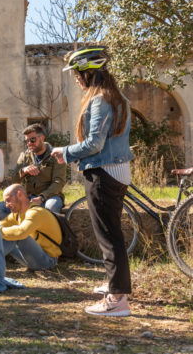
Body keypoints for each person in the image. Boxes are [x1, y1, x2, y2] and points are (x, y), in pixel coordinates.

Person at [51, 46, 133, 317]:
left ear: (88, 72)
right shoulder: (117, 97)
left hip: (103, 173)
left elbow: (95, 144)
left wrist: (65, 152)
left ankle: (117, 300)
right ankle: (114, 285)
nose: (75, 78)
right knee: (113, 235)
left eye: (77, 73)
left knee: (108, 237)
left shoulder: (99, 100)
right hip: (117, 171)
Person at [0, 123, 67, 219]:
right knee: (0, 208)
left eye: (32, 139)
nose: (29, 143)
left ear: (42, 138)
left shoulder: (56, 155)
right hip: (29, 197)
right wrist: (23, 171)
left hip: (50, 196)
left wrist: (42, 197)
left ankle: (52, 233)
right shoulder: (24, 156)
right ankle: (18, 231)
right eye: (26, 141)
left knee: (51, 206)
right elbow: (13, 181)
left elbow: (59, 182)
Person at [0, 184, 61, 271]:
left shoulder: (36, 212)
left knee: (16, 234)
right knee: (7, 233)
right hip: (29, 260)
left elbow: (21, 232)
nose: (6, 205)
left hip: (47, 261)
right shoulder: (16, 214)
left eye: (8, 200)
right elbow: (0, 224)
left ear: (19, 194)